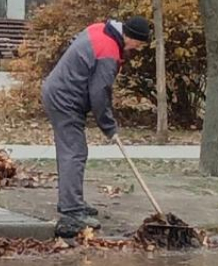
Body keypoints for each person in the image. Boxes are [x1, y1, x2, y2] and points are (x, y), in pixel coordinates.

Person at [41, 17, 151, 230]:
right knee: (74, 152)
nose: (136, 48)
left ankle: (73, 201)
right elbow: (100, 94)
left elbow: (75, 44)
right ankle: (72, 209)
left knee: (73, 151)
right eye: (137, 44)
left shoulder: (99, 28)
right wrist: (109, 128)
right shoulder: (109, 51)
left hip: (60, 91)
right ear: (129, 36)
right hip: (64, 98)